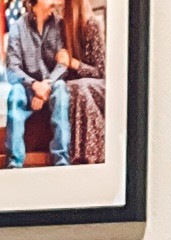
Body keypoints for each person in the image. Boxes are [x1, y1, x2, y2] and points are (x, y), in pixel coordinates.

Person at [4, 0, 70, 169]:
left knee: (61, 88)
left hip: (51, 85)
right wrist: (34, 85)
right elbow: (12, 69)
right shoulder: (17, 27)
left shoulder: (60, 25)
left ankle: (61, 161)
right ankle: (14, 162)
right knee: (15, 93)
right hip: (27, 88)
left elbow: (63, 64)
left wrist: (46, 86)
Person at [60, 0, 106, 164]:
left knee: (79, 87)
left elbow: (101, 71)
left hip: (100, 86)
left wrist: (74, 63)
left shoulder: (92, 25)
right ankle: (84, 154)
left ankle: (93, 153)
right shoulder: (62, 28)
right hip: (78, 86)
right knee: (70, 88)